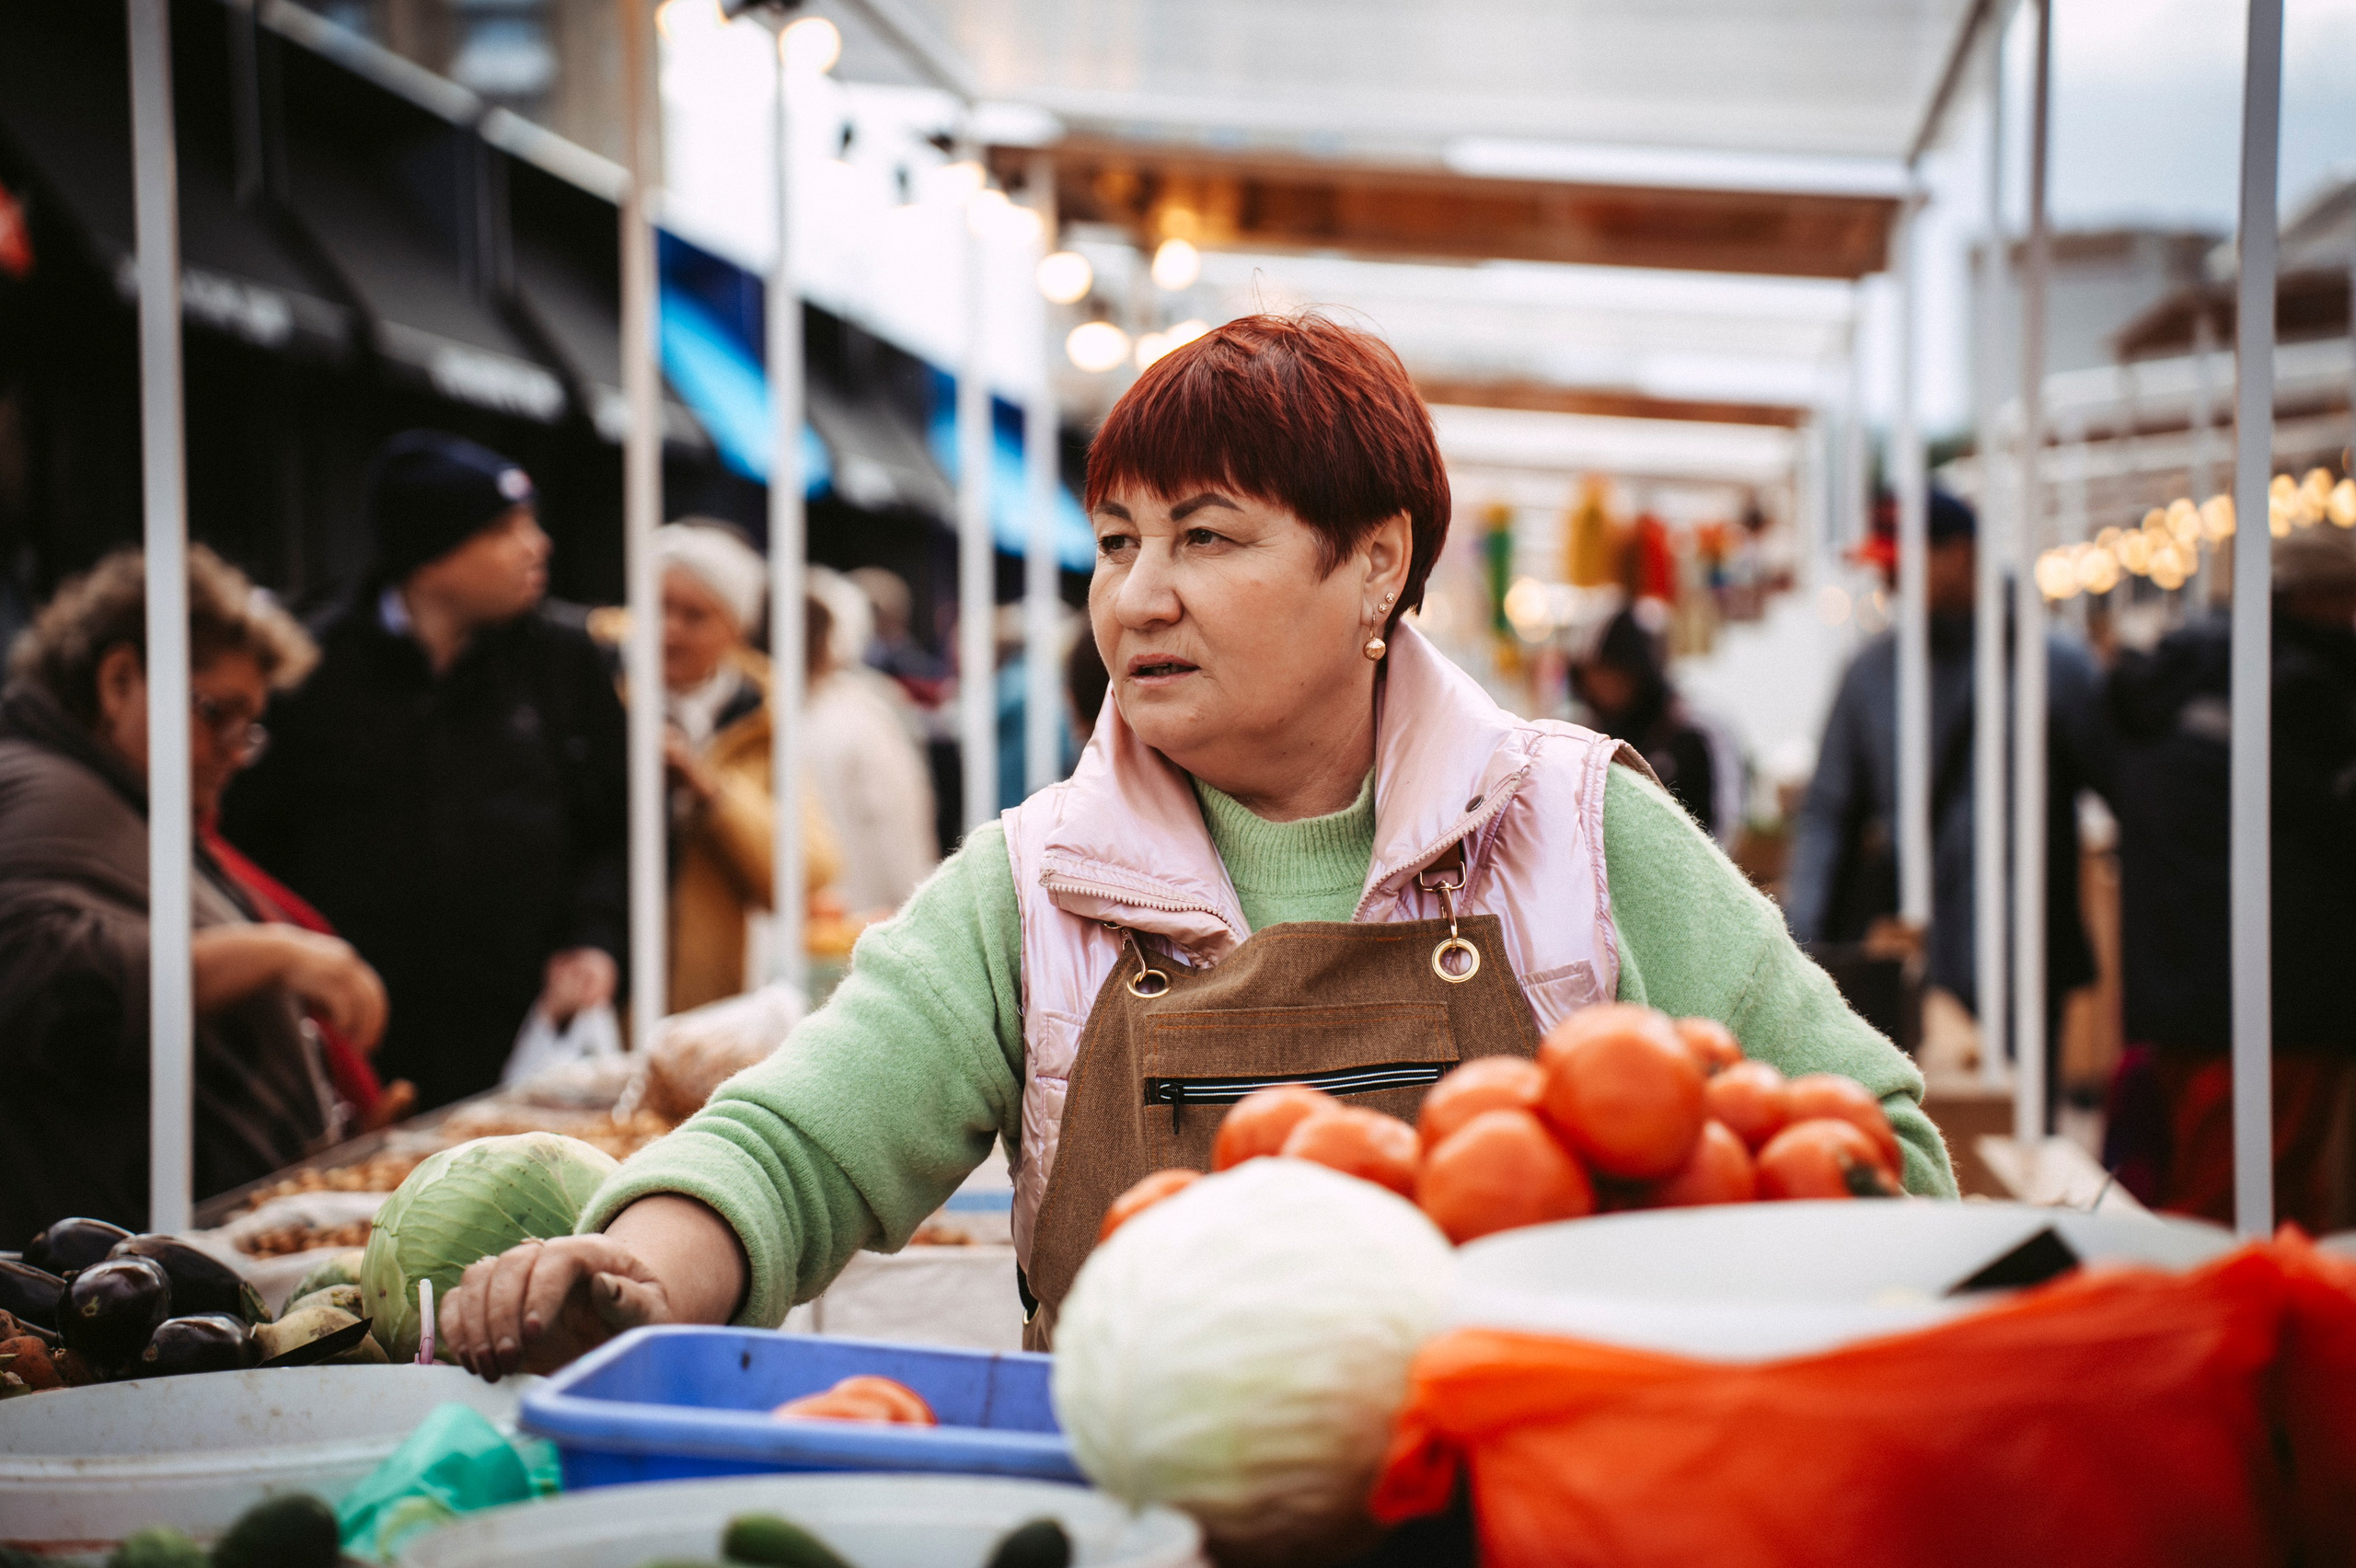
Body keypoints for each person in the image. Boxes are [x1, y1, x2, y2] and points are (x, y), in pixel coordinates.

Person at [439, 315, 1954, 1379]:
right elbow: (798, 1142)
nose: (1135, 598)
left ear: (1377, 564)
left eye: (1205, 537)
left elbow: (1883, 1144)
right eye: (1116, 542)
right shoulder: (1034, 886)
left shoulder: (1575, 827)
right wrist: (642, 1258)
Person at [223, 431, 628, 1112]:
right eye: (504, 529)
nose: (538, 544)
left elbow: (620, 823)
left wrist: (596, 938)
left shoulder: (564, 660)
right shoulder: (306, 669)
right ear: (429, 557)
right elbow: (246, 843)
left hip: (526, 1029)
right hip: (351, 1044)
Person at [0, 547, 386, 1245]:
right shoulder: (47, 790)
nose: (236, 749)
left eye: (250, 724)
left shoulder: (105, 790)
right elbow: (36, 974)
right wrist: (270, 955)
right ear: (120, 680)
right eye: (218, 713)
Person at [2104, 524, 2356, 1230]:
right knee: (2245, 1202)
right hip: (2278, 996)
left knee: (2235, 1191)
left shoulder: (2184, 675)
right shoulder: (2305, 690)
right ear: (2329, 599)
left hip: (2181, 984)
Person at [1784, 490, 2113, 1030]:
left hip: (2026, 962)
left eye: (1901, 567)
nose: (1888, 585)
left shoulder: (2053, 667)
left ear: (1959, 554)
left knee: (2018, 1107)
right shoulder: (1870, 674)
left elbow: (2120, 783)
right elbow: (1826, 812)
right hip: (1909, 959)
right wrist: (1799, 950)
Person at [653, 521, 839, 1012]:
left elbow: (807, 869)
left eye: (694, 616)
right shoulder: (594, 690)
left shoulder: (765, 721)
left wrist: (710, 790)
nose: (668, 630)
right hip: (589, 990)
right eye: (657, 608)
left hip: (703, 996)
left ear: (735, 629)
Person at [802, 571, 938, 917]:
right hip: (861, 914)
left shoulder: (758, 710)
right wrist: (916, 907)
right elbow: (895, 825)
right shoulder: (865, 715)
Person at [1570, 605, 1729, 841]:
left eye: (1612, 670)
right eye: (1593, 672)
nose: (1602, 683)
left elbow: (1718, 825)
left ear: (1638, 672)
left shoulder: (1689, 733)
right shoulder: (1586, 736)